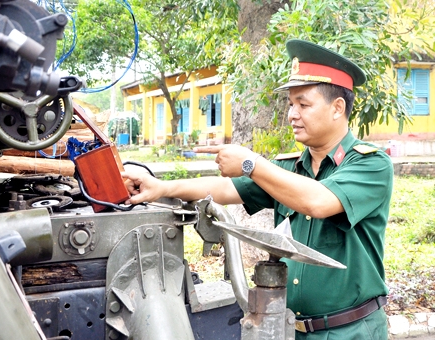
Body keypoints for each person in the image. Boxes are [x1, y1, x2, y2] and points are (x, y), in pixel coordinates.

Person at [121, 39, 393, 340]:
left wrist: (251, 162)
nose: (292, 114)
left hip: (351, 331)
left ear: (337, 108)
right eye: (291, 104)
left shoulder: (371, 165)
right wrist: (161, 187)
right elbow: (225, 188)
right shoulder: (290, 168)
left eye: (303, 104)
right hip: (290, 329)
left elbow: (317, 201)